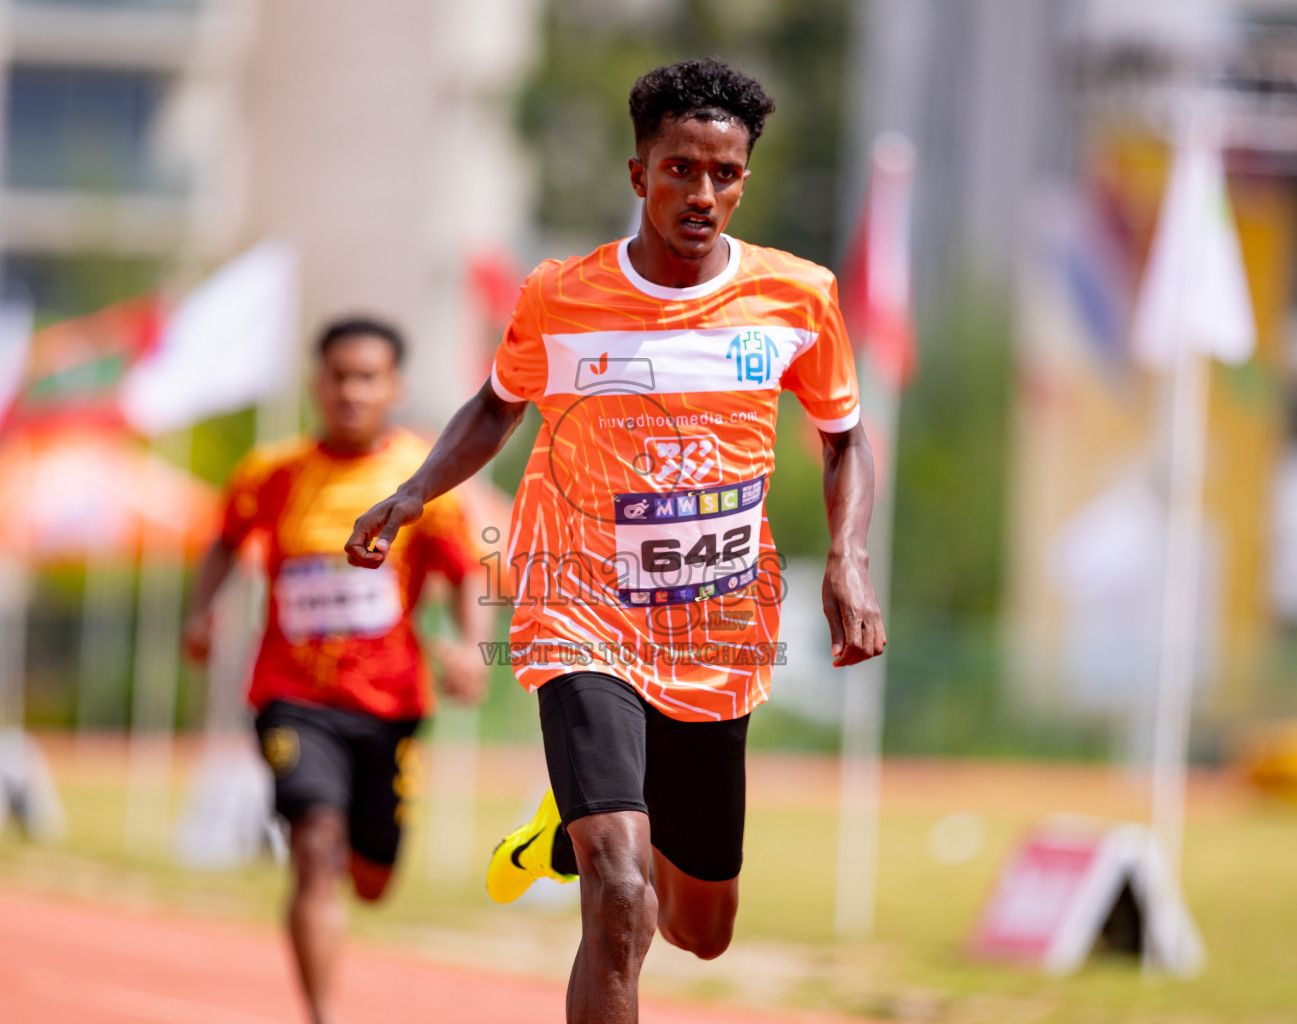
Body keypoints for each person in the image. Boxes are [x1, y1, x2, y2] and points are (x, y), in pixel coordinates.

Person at [344, 59, 884, 1023]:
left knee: (698, 927)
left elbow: (844, 434)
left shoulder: (798, 298)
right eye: (681, 169)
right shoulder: (562, 296)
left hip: (717, 635)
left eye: (724, 174)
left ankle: (570, 818)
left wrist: (847, 557)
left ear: (745, 180)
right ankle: (595, 827)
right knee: (621, 890)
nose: (702, 194)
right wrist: (415, 491)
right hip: (579, 609)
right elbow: (498, 405)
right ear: (640, 175)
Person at [184, 317, 491, 1024]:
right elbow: (223, 544)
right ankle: (323, 1015)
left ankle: (364, 865)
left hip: (388, 704)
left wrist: (472, 649)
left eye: (368, 377)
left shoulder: (423, 478)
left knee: (373, 877)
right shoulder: (272, 473)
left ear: (394, 387)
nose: (351, 391)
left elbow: (467, 572)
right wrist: (202, 613)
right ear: (317, 383)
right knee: (315, 844)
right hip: (292, 697)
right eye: (339, 376)